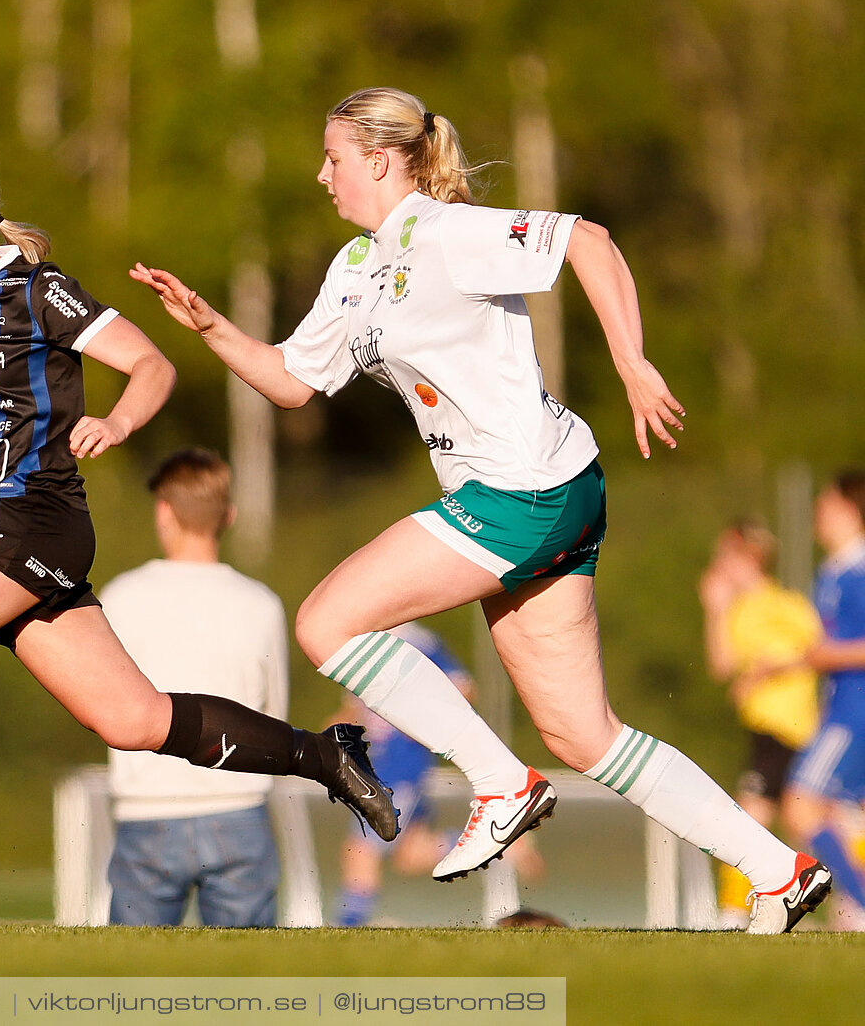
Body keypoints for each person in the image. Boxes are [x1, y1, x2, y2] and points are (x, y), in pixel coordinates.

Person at [128, 86, 830, 934]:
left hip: (526, 489)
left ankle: (501, 783)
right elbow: (291, 381)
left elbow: (589, 241)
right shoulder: (357, 268)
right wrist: (208, 325)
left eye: (335, 159)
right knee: (583, 735)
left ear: (382, 161)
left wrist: (633, 363)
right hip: (541, 494)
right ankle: (777, 870)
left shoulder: (447, 232)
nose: (322, 175)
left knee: (326, 622)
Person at [0, 145, 397, 899]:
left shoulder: (37, 291)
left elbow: (152, 367)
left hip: (31, 519)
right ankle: (325, 757)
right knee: (134, 721)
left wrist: (117, 420)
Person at [101, 448, 287, 928]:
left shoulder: (119, 597)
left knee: (134, 978)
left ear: (164, 511)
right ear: (229, 516)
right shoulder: (262, 603)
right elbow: (275, 720)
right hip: (239, 809)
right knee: (246, 980)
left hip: (147, 811)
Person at [329, 621, 543, 927]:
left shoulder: (416, 641)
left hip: (400, 768)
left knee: (360, 849)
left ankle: (347, 928)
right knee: (411, 854)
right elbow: (356, 710)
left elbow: (464, 688)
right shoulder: (360, 641)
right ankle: (504, 842)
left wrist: (421, 722)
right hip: (376, 765)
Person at [699, 519, 822, 925]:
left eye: (724, 556)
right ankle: (852, 903)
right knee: (808, 820)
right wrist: (714, 610)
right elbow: (721, 667)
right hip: (765, 728)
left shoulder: (783, 603)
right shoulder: (739, 610)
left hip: (787, 725)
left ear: (744, 556)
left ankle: (733, 911)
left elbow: (816, 650)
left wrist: (766, 670)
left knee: (746, 817)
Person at [780, 473, 865, 923]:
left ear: (852, 512)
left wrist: (823, 655)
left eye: (827, 506)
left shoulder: (859, 570)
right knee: (841, 812)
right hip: (842, 707)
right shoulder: (832, 570)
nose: (818, 515)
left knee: (801, 804)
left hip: (856, 713)